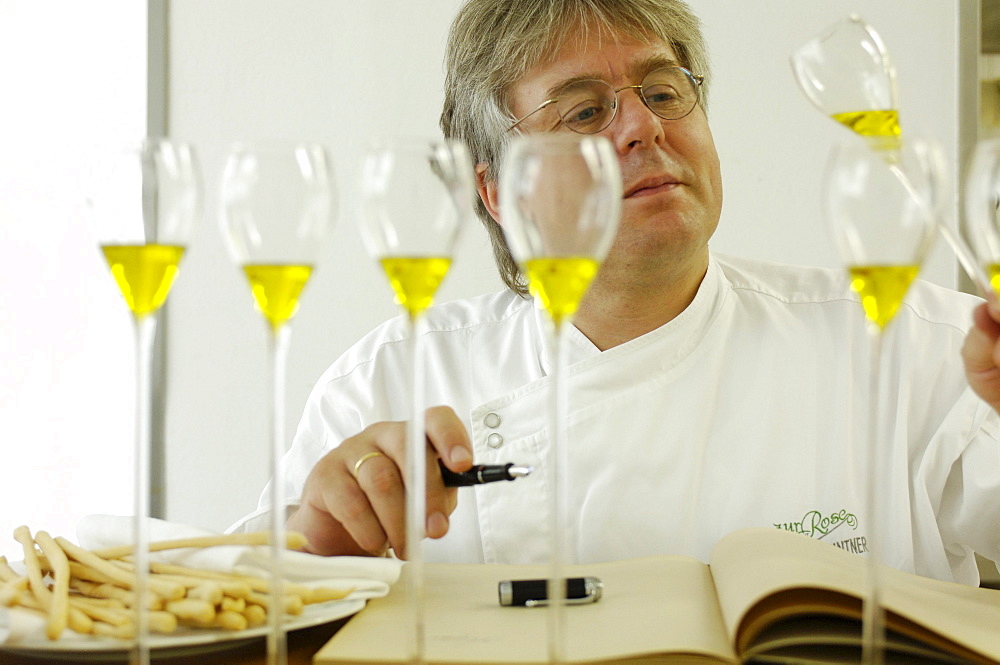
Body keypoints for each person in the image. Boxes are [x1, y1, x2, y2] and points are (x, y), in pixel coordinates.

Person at [231, 0, 1000, 586]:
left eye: (664, 92)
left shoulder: (921, 349)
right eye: (585, 111)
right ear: (498, 190)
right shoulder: (382, 384)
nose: (640, 126)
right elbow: (227, 607)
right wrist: (320, 556)